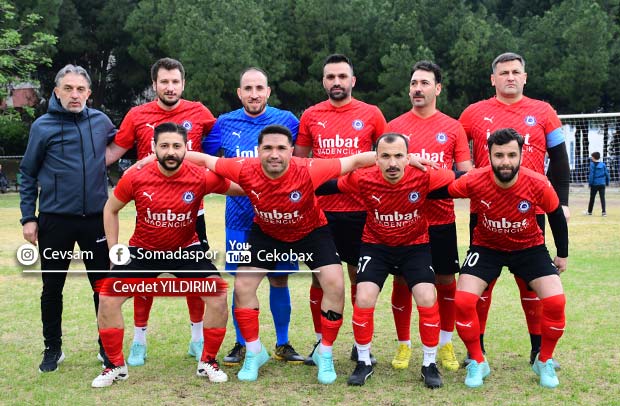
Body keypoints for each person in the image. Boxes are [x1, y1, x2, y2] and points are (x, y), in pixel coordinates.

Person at [186, 124, 400, 384]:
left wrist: (405, 160)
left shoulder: (309, 168)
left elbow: (355, 160)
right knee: (242, 286)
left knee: (334, 283)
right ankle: (254, 351)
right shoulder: (243, 167)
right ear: (258, 151)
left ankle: (325, 352)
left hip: (311, 232)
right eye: (268, 148)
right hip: (267, 232)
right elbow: (205, 159)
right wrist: (155, 157)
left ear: (291, 151)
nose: (274, 154)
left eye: (281, 148)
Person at [91, 122, 240, 388]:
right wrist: (114, 250)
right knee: (107, 298)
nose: (170, 151)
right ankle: (115, 366)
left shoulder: (200, 176)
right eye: (164, 146)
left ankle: (208, 361)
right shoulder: (136, 177)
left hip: (186, 250)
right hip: (143, 250)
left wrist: (270, 181)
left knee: (218, 297)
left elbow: (242, 186)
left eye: (176, 146)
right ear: (153, 148)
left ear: (186, 148)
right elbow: (110, 209)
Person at [317, 133, 455, 388]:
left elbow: (463, 180)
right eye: (385, 156)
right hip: (376, 246)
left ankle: (429, 363)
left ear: (408, 158)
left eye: (399, 156)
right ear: (376, 159)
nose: (392, 163)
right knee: (364, 297)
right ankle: (363, 361)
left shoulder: (425, 175)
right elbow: (329, 185)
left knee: (427, 296)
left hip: (415, 247)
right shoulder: (362, 177)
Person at [459, 52, 570, 366]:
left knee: (531, 284)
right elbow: (455, 148)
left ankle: (538, 351)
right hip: (486, 211)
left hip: (531, 210)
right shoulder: (473, 113)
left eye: (515, 72)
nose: (510, 77)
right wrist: (468, 176)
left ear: (525, 77)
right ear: (493, 79)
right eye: (504, 72)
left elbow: (559, 160)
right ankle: (476, 351)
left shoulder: (544, 111)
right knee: (481, 284)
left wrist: (562, 202)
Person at [105, 57, 216, 366]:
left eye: (175, 81)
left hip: (192, 212)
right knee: (144, 279)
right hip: (151, 211)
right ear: (154, 84)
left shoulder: (200, 112)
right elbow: (114, 152)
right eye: (164, 82)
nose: (170, 87)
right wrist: (77, 165)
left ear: (183, 83)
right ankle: (139, 341)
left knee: (196, 278)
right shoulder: (137, 115)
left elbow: (217, 145)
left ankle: (197, 338)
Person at [437, 128, 568, 388]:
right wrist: (408, 175)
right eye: (499, 155)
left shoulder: (538, 182)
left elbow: (555, 215)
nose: (505, 161)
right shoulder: (475, 179)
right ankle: (478, 360)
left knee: (556, 301)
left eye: (511, 155)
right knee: (463, 301)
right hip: (487, 248)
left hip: (529, 248)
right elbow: (439, 188)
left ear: (521, 155)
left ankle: (544, 359)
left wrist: (562, 253)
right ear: (489, 155)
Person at [202, 67, 304, 366]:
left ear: (268, 91)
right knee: (241, 283)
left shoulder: (287, 120)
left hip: (278, 219)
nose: (254, 94)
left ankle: (283, 343)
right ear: (239, 93)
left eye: (259, 88)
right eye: (248, 88)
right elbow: (209, 162)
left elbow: (301, 159)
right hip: (238, 219)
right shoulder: (224, 122)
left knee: (279, 279)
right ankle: (243, 343)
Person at [19, 64, 116, 372]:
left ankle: (107, 347)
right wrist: (28, 217)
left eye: (80, 89)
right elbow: (27, 172)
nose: (75, 95)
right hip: (55, 221)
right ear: (57, 91)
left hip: (95, 221)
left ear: (89, 92)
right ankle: (53, 348)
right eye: (68, 89)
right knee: (52, 288)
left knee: (103, 287)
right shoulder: (42, 126)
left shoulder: (101, 122)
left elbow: (125, 144)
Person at [294, 54, 387, 365]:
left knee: (361, 279)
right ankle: (322, 343)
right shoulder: (311, 115)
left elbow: (388, 155)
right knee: (320, 279)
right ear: (324, 81)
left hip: (362, 211)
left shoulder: (371, 113)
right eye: (331, 77)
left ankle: (362, 346)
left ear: (353, 81)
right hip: (320, 213)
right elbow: (300, 162)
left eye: (342, 76)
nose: (336, 82)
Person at [387, 61, 471, 372]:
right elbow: (384, 171)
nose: (418, 88)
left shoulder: (453, 127)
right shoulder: (394, 127)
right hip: (403, 222)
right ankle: (404, 344)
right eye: (413, 83)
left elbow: (465, 175)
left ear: (437, 88)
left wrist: (431, 183)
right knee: (401, 281)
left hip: (441, 220)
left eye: (424, 83)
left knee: (445, 281)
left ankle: (445, 342)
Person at [585, 151, 610, 216]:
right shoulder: (603, 164)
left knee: (592, 198)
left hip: (594, 184)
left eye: (592, 157)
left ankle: (589, 212)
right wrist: (607, 183)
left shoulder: (592, 164)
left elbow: (591, 175)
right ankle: (604, 212)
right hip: (602, 183)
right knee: (602, 198)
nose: (591, 158)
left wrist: (590, 184)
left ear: (593, 157)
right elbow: (607, 174)